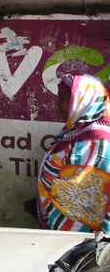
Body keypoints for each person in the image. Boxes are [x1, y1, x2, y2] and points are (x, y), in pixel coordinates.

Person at [37, 74, 110, 233]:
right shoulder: (76, 129)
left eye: (64, 98)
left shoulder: (98, 138)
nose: (58, 104)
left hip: (88, 232)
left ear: (83, 99)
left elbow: (88, 183)